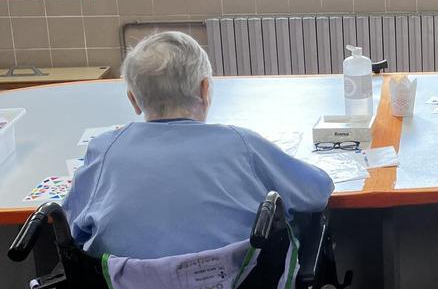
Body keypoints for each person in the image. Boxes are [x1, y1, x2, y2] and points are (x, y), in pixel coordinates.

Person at [64, 31, 334, 259]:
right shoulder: (242, 144)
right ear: (205, 90)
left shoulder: (104, 149)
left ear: (133, 100)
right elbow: (317, 191)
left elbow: (71, 223)